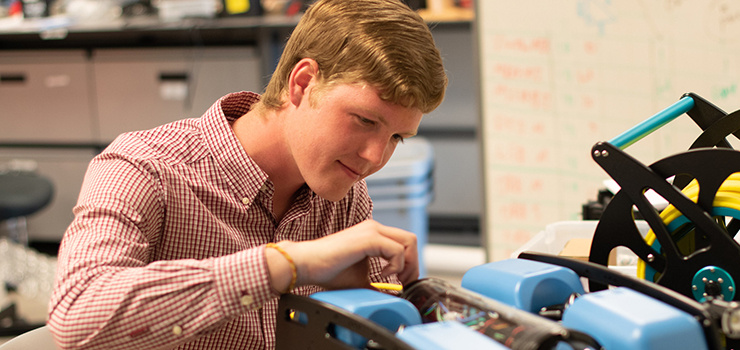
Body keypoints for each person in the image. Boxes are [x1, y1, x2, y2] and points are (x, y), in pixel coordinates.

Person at [47, 0, 447, 348]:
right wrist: (287, 264)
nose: (374, 157)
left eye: (396, 137)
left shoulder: (343, 193)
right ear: (303, 83)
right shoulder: (145, 168)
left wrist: (409, 308)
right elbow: (77, 315)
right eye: (364, 120)